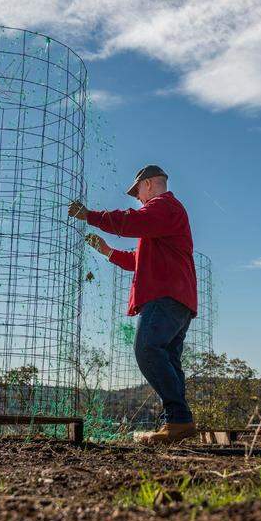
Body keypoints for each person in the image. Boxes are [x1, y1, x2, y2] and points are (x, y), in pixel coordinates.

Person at [68, 165, 198, 445]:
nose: (136, 198)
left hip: (165, 295)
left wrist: (89, 216)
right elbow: (138, 260)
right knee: (168, 359)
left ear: (148, 184)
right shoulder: (163, 218)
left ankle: (178, 419)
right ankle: (178, 422)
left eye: (137, 191)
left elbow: (131, 222)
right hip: (178, 299)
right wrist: (107, 251)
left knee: (147, 349)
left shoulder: (164, 206)